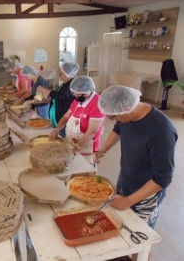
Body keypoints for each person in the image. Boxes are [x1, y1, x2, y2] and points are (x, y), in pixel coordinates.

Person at [95, 85, 177, 229]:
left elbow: (162, 178)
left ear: (127, 108)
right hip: (126, 179)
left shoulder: (161, 131)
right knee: (122, 224)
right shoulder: (126, 116)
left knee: (141, 233)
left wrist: (128, 201)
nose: (113, 119)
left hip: (147, 191)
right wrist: (103, 150)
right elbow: (117, 130)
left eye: (113, 116)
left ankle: (138, 253)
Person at [49, 76, 105, 164]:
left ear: (87, 93)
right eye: (73, 94)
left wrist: (76, 148)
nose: (75, 97)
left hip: (87, 146)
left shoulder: (97, 104)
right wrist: (57, 129)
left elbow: (91, 132)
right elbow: (66, 116)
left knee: (84, 171)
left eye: (78, 95)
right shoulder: (77, 99)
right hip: (71, 142)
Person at [36, 62, 79, 137]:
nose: (59, 74)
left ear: (67, 74)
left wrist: (44, 90)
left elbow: (60, 95)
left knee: (63, 139)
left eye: (61, 73)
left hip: (64, 121)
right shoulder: (64, 84)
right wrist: (45, 100)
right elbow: (56, 99)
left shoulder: (71, 85)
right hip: (57, 120)